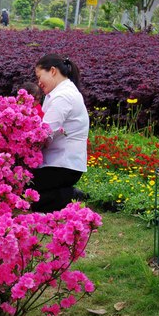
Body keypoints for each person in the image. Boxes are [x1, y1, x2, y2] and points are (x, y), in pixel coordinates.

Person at [30, 54, 89, 212]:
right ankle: (65, 194)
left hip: (63, 166)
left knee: (25, 193)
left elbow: (45, 134)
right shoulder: (59, 93)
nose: (38, 82)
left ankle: (69, 196)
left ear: (53, 71)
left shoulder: (63, 96)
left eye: (39, 76)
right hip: (59, 163)